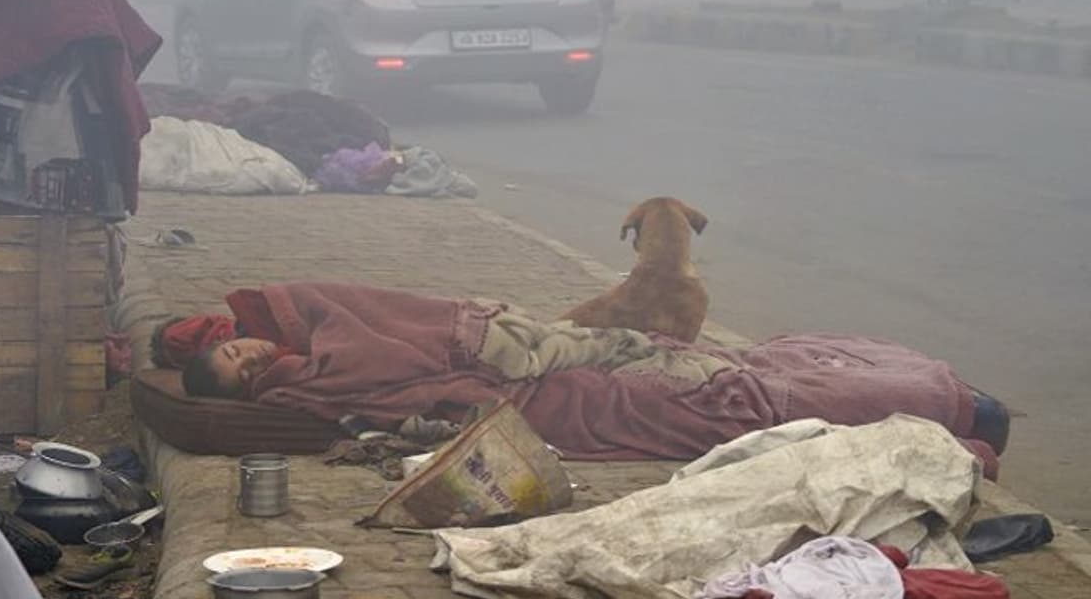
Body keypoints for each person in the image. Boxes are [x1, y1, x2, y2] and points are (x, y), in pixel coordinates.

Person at [154, 282, 1009, 470]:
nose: (249, 353)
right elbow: (396, 380)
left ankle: (942, 404)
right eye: (236, 367)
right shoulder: (310, 382)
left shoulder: (309, 324)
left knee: (738, 367)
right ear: (245, 391)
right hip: (551, 396)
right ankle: (952, 413)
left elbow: (391, 313)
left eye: (236, 346)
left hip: (532, 353)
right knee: (730, 401)